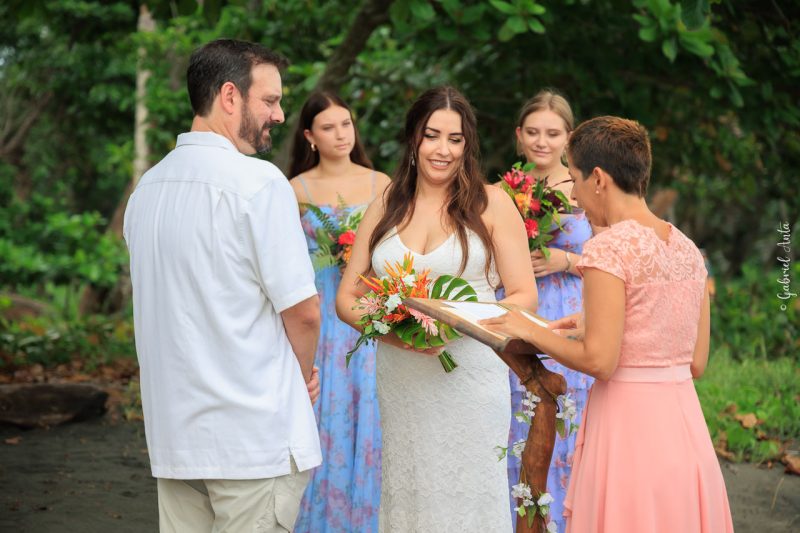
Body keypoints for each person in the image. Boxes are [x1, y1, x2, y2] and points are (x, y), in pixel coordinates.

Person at [480, 116, 733, 532]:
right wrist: (589, 325)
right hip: (685, 427)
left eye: (575, 179)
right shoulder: (688, 249)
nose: (575, 196)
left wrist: (528, 328)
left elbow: (599, 360)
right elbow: (696, 362)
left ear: (598, 178)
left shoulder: (608, 249)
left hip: (628, 429)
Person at [123, 39, 323, 533]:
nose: (279, 115)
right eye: (270, 100)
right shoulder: (260, 183)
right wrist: (299, 380)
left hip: (176, 438)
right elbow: (303, 312)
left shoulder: (146, 190)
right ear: (230, 97)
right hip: (252, 440)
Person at [336, 86, 538, 531]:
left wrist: (456, 324)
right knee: (410, 496)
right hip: (402, 379)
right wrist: (395, 331)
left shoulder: (492, 203)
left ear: (468, 145)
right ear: (413, 138)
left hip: (470, 377)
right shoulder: (387, 203)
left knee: (468, 500)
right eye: (432, 135)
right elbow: (347, 298)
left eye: (456, 138)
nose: (443, 150)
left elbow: (524, 295)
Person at [288, 91, 390, 533]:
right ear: (309, 136)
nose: (340, 135)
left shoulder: (380, 184)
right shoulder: (294, 189)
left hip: (367, 308)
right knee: (321, 413)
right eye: (328, 127)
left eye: (346, 124)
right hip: (318, 314)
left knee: (370, 409)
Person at [504, 90, 594, 533]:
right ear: (519, 136)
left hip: (568, 314)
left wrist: (565, 261)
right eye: (533, 132)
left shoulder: (586, 188)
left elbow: (613, 257)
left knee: (565, 418)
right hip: (519, 312)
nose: (542, 142)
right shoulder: (504, 190)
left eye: (553, 133)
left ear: (569, 137)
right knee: (517, 420)